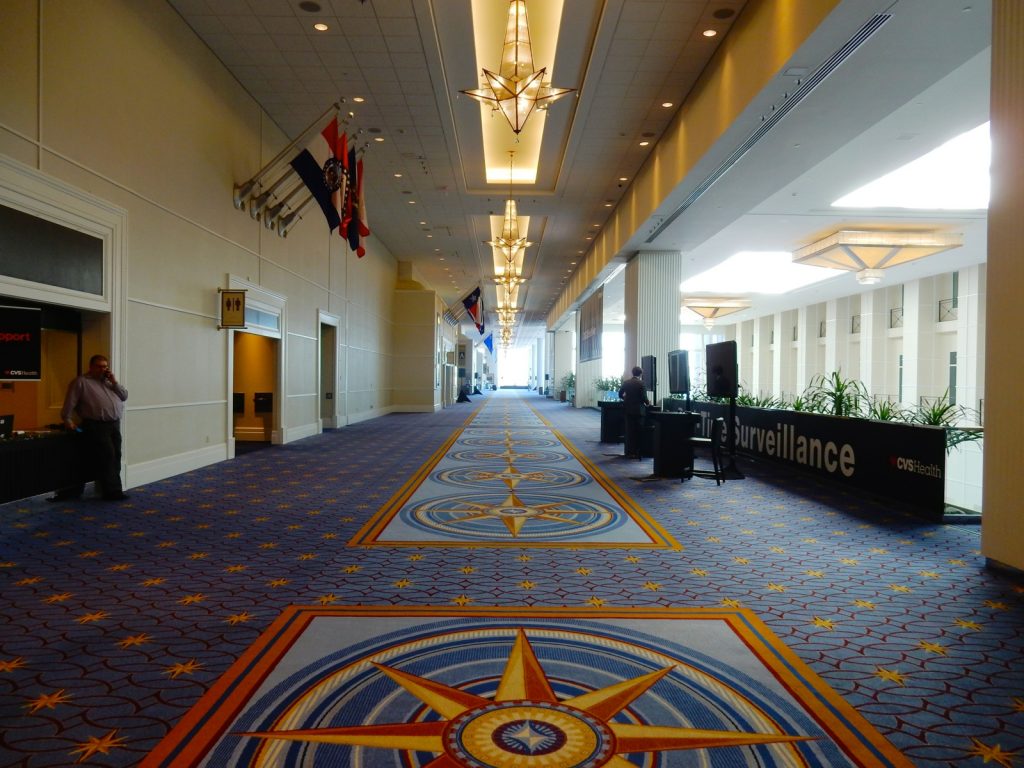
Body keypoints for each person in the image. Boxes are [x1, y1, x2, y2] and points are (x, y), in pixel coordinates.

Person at [51, 354, 129, 501]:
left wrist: (114, 382)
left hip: (114, 424)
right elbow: (70, 402)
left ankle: (114, 489)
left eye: (105, 366)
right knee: (108, 455)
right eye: (99, 366)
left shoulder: (109, 382)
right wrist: (66, 418)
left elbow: (124, 396)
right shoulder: (81, 382)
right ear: (91, 367)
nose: (103, 369)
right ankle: (112, 492)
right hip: (96, 425)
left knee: (116, 455)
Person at [618, 366, 650, 460]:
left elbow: (620, 394)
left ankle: (629, 452)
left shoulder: (626, 382)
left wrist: (626, 399)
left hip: (628, 410)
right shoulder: (641, 383)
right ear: (640, 374)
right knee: (639, 432)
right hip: (639, 412)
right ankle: (637, 452)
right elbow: (644, 397)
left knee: (629, 432)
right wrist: (648, 403)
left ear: (632, 373)